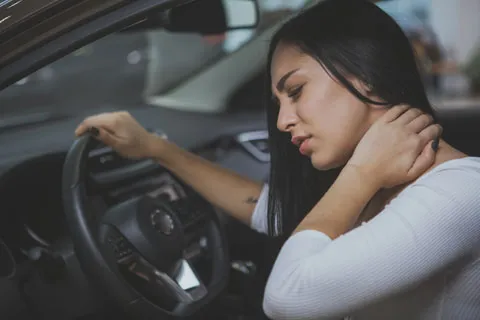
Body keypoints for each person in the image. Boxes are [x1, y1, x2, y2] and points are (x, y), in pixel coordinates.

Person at [75, 0, 480, 319]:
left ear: (366, 74)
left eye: (297, 90)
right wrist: (156, 148)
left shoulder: (459, 191)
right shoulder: (385, 183)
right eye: (278, 102)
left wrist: (360, 172)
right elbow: (271, 208)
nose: (284, 120)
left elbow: (288, 297)